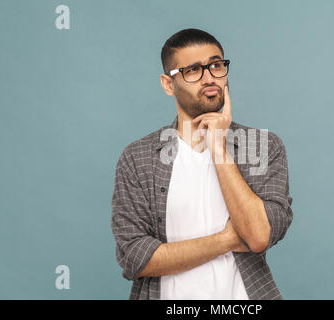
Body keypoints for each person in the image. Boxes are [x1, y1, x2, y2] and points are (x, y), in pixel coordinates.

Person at [111, 28, 294, 300]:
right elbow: (136, 257)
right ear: (168, 83)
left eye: (216, 65)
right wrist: (226, 240)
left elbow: (258, 236)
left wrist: (219, 147)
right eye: (193, 70)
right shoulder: (138, 158)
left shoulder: (263, 147)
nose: (209, 77)